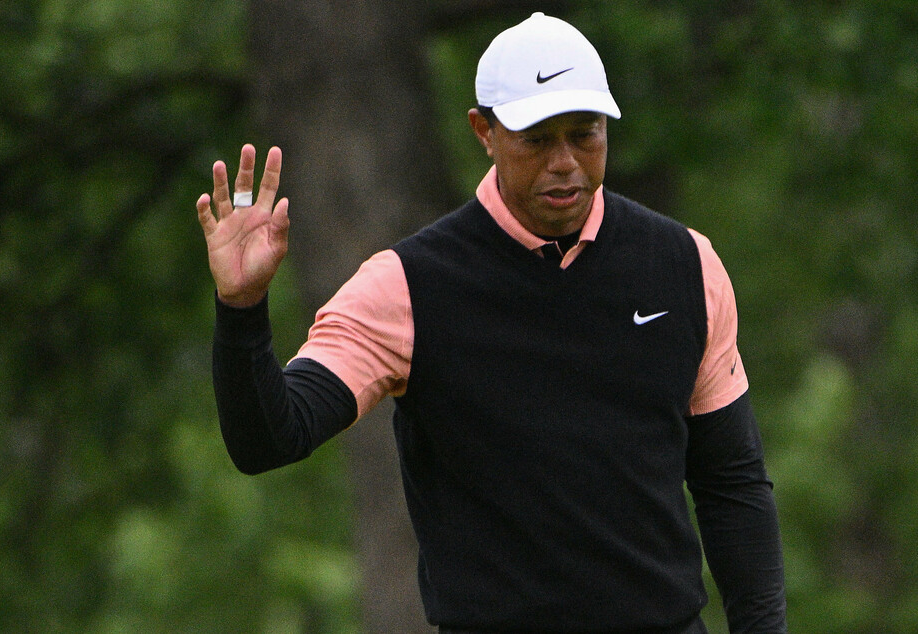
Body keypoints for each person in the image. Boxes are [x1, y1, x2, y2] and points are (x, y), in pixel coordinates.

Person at [196, 12, 787, 634]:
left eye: (585, 136)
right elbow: (269, 439)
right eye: (536, 139)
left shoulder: (684, 264)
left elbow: (733, 486)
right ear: (484, 131)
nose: (565, 163)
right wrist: (241, 308)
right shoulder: (406, 285)